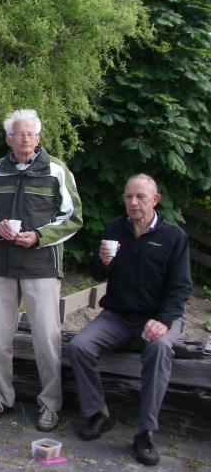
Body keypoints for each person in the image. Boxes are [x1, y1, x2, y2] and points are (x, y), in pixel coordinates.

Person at [68, 175, 191, 466]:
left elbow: (181, 289)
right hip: (118, 315)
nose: (133, 203)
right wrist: (103, 262)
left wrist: (163, 320)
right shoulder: (115, 228)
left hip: (158, 316)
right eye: (128, 197)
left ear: (155, 200)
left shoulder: (173, 237)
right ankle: (98, 413)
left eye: (140, 197)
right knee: (79, 346)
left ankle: (145, 432)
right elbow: (98, 275)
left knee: (159, 349)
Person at [0, 108, 83, 432]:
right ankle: (1, 396)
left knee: (46, 339)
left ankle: (50, 405)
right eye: (18, 134)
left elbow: (73, 218)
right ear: (9, 139)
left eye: (30, 133)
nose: (25, 138)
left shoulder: (56, 170)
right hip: (2, 265)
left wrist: (39, 236)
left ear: (38, 137)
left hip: (41, 266)